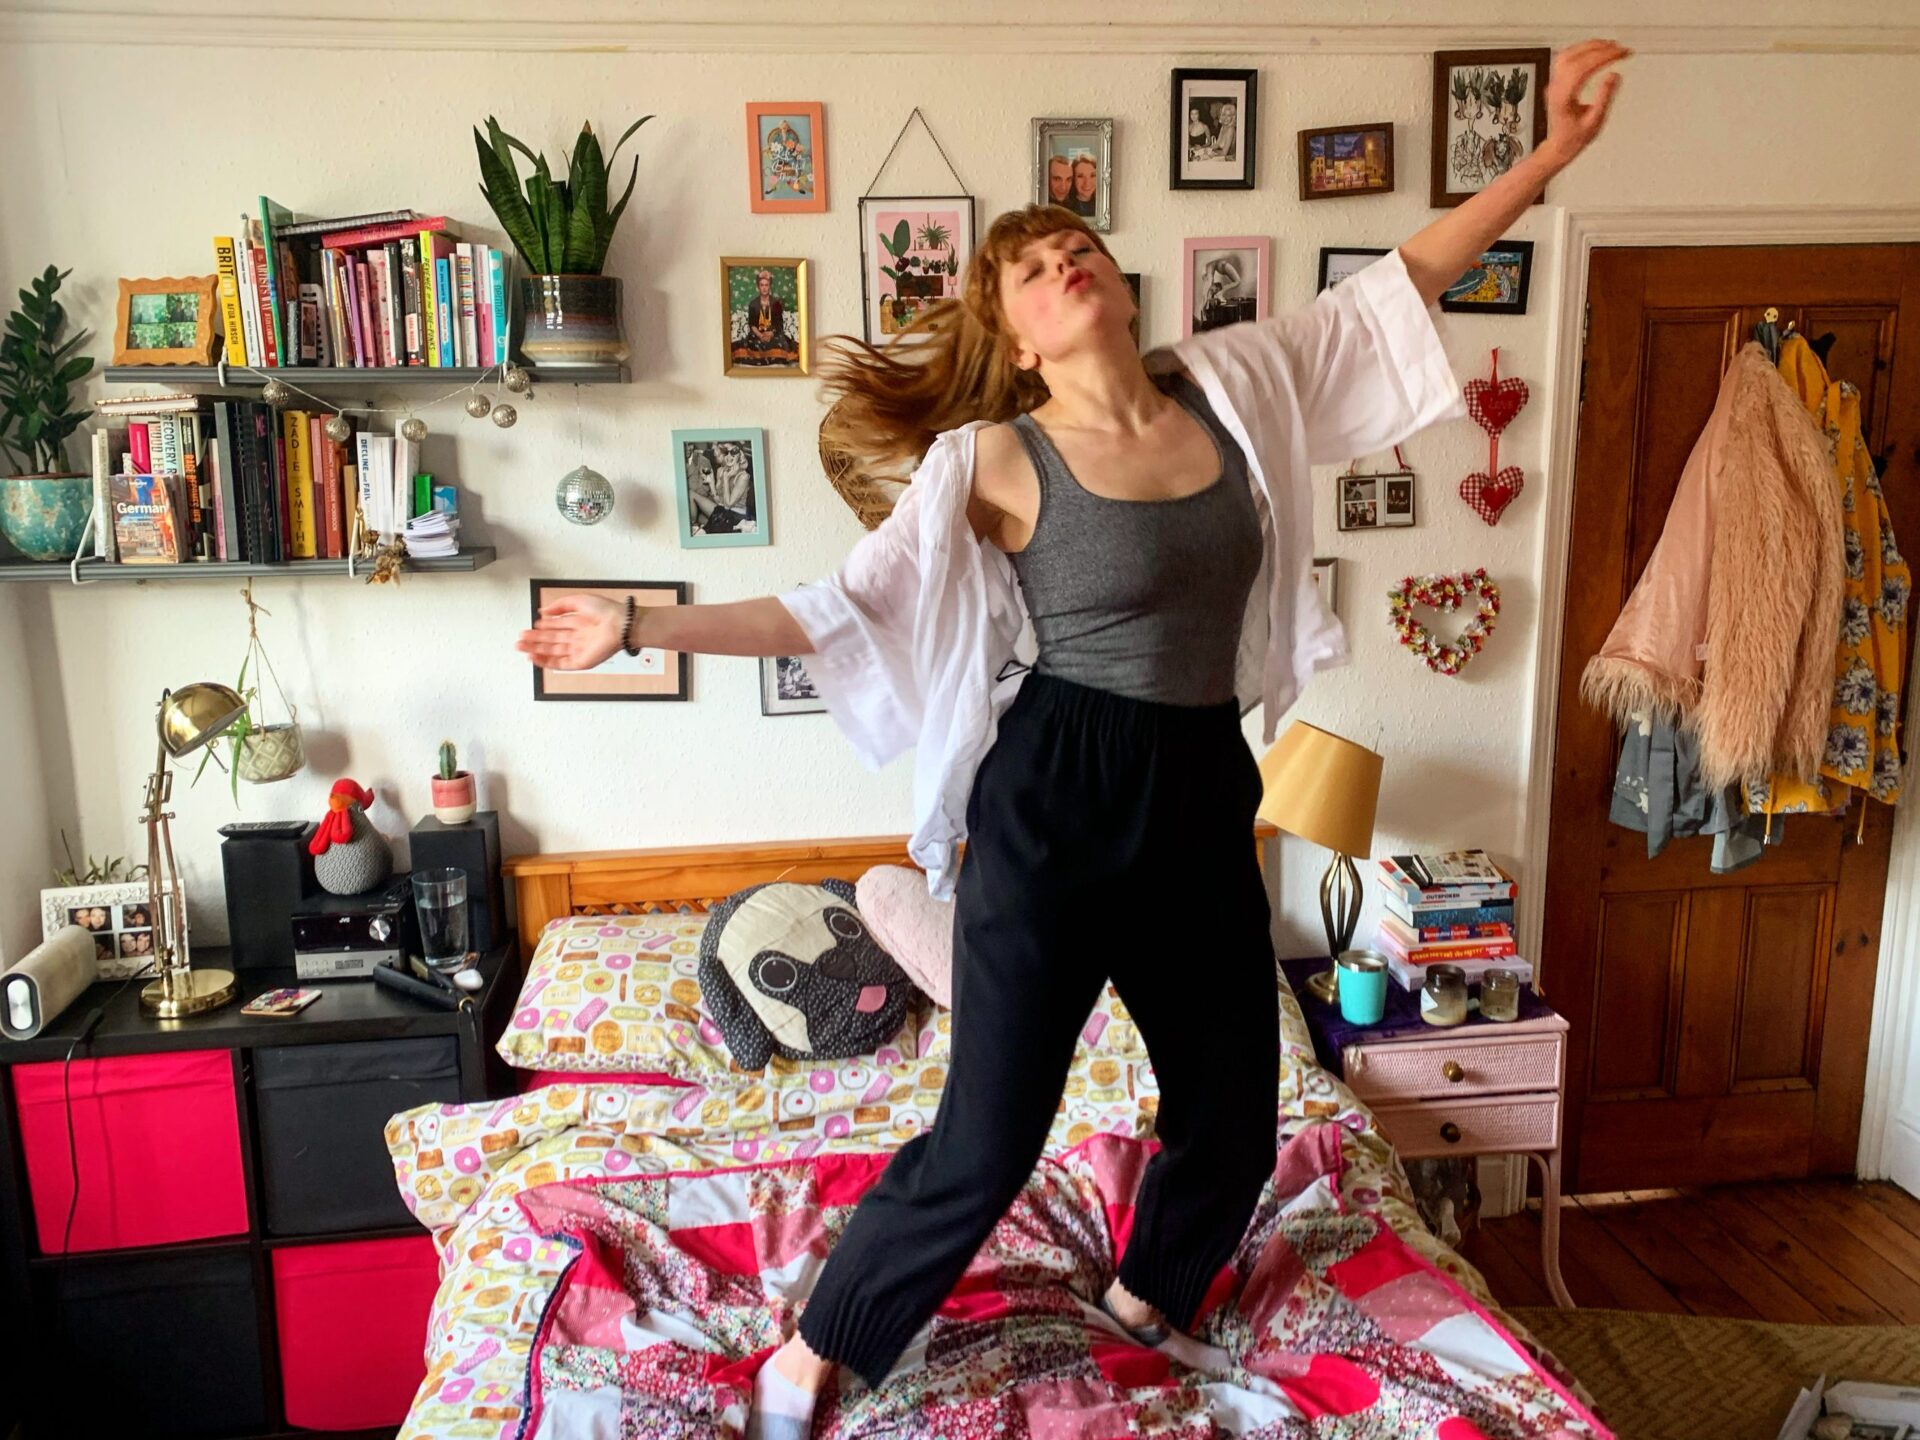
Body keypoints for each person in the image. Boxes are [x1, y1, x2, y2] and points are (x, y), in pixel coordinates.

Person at [516, 39, 1625, 1437]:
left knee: (1233, 1101)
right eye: (1032, 269)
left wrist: (1547, 161)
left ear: (1117, 280)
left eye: (1078, 246)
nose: (1065, 268)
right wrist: (637, 624)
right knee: (992, 1134)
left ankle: (1146, 1298)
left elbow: (1396, 288)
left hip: (1199, 785)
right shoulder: (989, 456)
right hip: (1054, 793)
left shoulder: (1236, 388)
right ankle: (819, 1348)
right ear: (1018, 328)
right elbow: (835, 610)